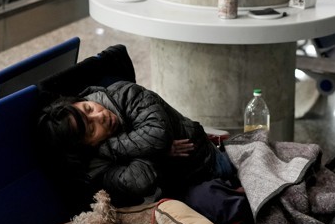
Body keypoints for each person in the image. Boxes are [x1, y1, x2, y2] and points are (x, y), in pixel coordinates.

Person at [37, 81, 234, 207]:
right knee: (209, 202)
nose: (100, 116)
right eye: (91, 129)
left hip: (208, 163)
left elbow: (157, 136)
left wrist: (108, 148)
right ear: (86, 146)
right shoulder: (94, 165)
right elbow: (141, 181)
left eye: (88, 108)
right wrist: (159, 151)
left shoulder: (126, 94)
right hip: (176, 192)